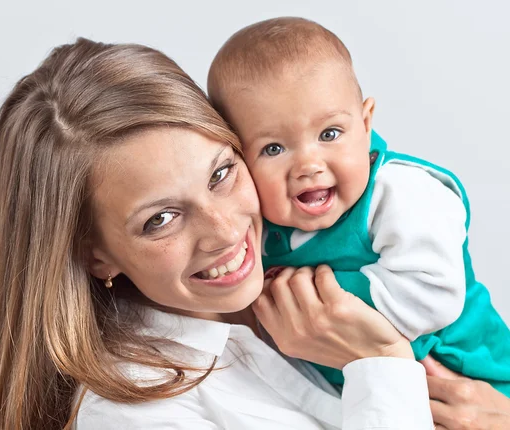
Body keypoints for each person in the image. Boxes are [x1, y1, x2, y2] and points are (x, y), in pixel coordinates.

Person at [0, 38, 509, 430]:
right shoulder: (135, 414)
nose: (224, 230)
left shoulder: (319, 249)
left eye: (220, 173)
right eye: (160, 219)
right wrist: (383, 362)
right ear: (96, 256)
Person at [207, 17, 510, 395]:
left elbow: (433, 293)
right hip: (369, 392)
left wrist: (316, 300)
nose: (308, 165)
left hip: (471, 375)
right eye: (273, 148)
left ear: (366, 125)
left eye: (329, 134)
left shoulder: (402, 192)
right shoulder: (263, 223)